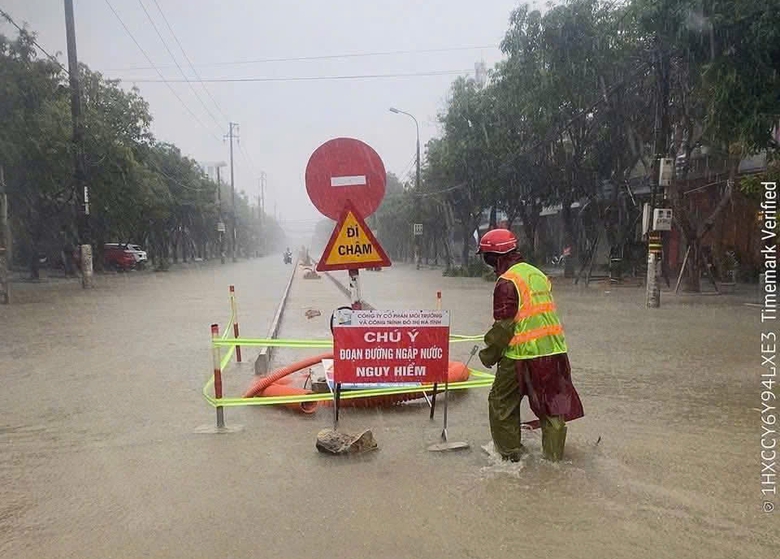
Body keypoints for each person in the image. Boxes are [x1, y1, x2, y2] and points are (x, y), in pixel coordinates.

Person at [477, 228, 584, 462]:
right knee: (552, 407)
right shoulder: (538, 274)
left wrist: (488, 355)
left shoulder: (507, 281)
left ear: (495, 257)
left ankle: (510, 457)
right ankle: (554, 461)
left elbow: (504, 327)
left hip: (520, 354)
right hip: (554, 352)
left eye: (486, 257)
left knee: (501, 402)